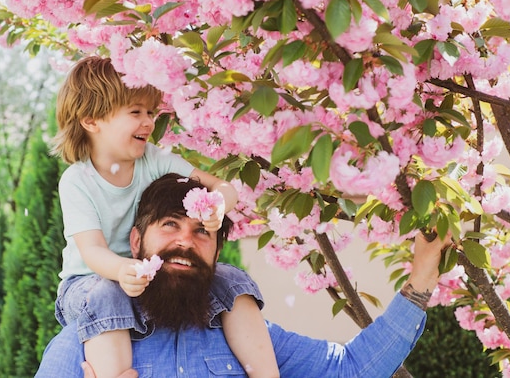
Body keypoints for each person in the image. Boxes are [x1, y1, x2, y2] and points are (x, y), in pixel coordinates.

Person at [36, 173, 451, 378]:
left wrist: (421, 279)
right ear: (136, 240)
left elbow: (353, 369)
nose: (185, 241)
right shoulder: (85, 344)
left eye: (202, 231)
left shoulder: (246, 335)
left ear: (217, 251)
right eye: (169, 226)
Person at [51, 57, 279, 378]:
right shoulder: (78, 180)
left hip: (145, 275)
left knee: (232, 279)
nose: (148, 122)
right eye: (135, 112)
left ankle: (265, 373)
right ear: (92, 121)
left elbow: (221, 186)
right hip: (90, 283)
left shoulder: (154, 160)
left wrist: (217, 204)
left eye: (150, 112)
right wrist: (122, 269)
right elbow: (91, 251)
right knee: (108, 294)